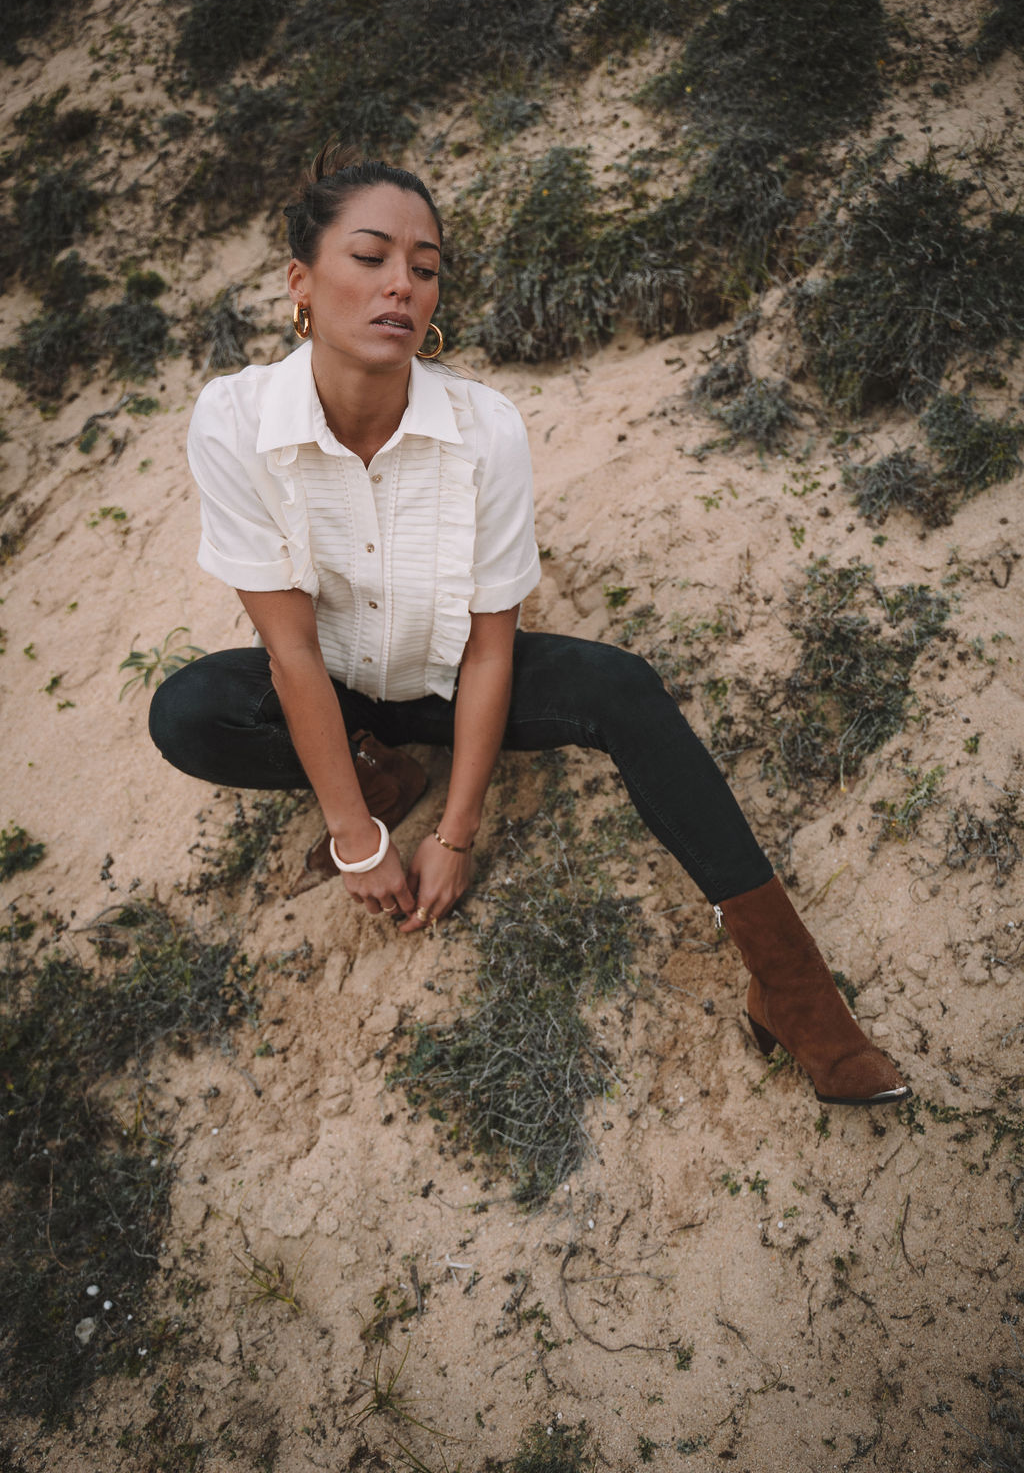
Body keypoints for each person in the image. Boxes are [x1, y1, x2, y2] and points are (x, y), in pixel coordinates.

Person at [149, 150, 910, 1109]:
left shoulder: (485, 429)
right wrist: (357, 833)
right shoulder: (234, 421)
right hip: (334, 684)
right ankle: (379, 771)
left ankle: (793, 988)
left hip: (453, 677)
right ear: (301, 281)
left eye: (425, 267)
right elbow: (290, 649)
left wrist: (456, 834)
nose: (401, 285)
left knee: (622, 688)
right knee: (189, 710)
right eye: (371, 257)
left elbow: (491, 646)